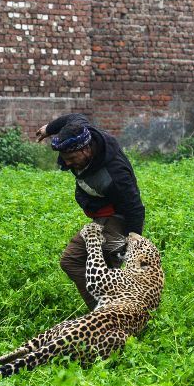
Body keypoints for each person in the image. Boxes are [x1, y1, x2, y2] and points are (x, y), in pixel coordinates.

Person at [35, 113, 145, 310]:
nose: (67, 163)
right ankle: (105, 310)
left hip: (117, 219)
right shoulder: (80, 130)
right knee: (71, 261)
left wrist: (134, 242)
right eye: (63, 158)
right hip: (100, 214)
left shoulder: (116, 173)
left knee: (103, 270)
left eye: (71, 158)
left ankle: (113, 315)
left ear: (85, 149)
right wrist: (49, 129)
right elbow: (74, 117)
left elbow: (135, 206)